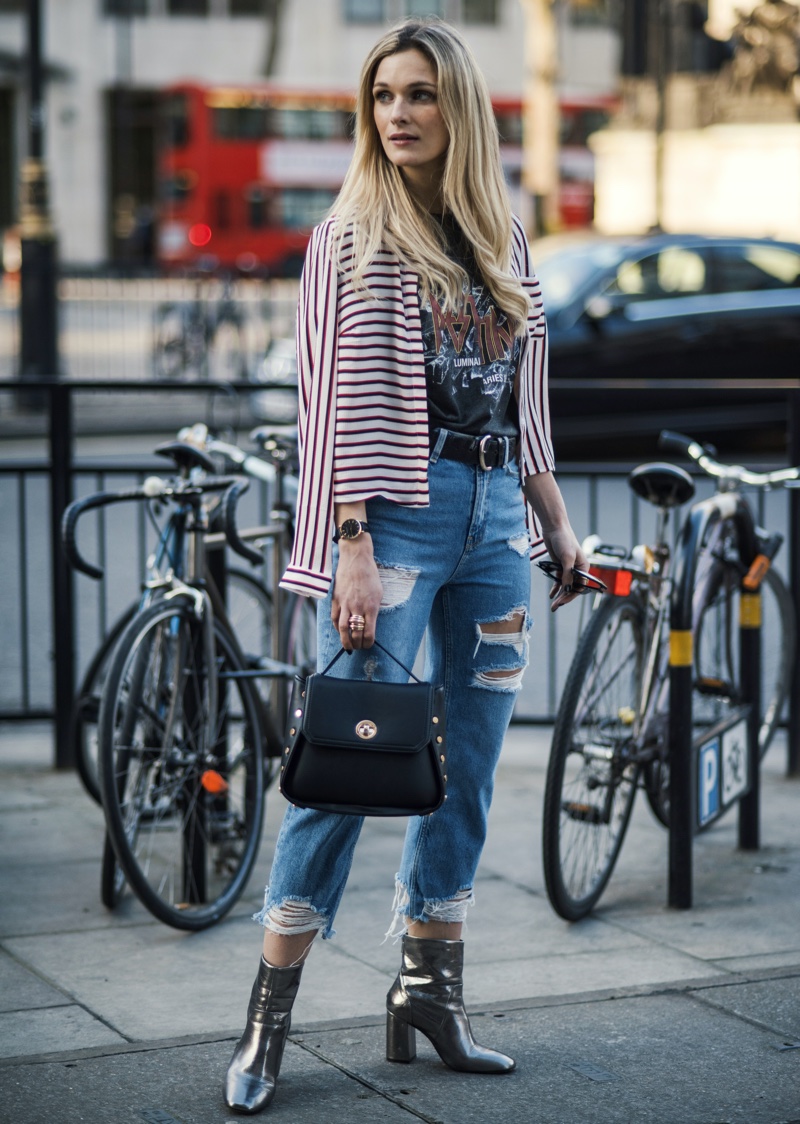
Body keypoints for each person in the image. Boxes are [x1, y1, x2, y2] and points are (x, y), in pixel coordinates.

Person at [224, 17, 588, 1115]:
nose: (397, 114)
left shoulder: (502, 239)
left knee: (466, 769)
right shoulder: (348, 238)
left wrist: (555, 524)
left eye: (419, 94)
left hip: (490, 528)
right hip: (394, 520)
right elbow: (324, 409)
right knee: (342, 764)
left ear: (457, 106)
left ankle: (427, 995)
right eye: (383, 95)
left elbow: (520, 404)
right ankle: (266, 1024)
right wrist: (349, 547)